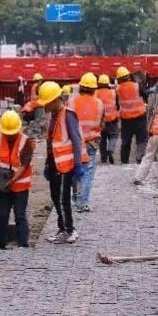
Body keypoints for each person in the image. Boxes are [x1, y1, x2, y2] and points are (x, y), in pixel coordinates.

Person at [39, 81, 82, 244]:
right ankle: (62, 228)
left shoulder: (68, 114)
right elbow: (52, 143)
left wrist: (77, 164)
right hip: (54, 165)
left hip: (64, 166)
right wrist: (47, 164)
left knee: (63, 199)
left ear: (55, 99)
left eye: (46, 102)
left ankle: (70, 230)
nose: (44, 106)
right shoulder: (54, 116)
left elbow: (76, 140)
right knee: (56, 197)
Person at [0, 110, 35, 249]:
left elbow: (24, 165)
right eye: (6, 133)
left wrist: (11, 181)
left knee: (20, 215)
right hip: (2, 185)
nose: (8, 136)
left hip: (20, 186)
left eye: (11, 133)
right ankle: (0, 244)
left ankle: (23, 245)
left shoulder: (26, 141)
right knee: (2, 214)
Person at [70, 73, 103, 212]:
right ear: (94, 88)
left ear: (81, 86)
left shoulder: (72, 102)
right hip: (91, 142)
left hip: (75, 142)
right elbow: (102, 123)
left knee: (74, 169)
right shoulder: (99, 103)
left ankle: (75, 196)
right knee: (87, 173)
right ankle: (82, 204)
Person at [116, 66, 149, 164]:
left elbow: (117, 104)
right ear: (129, 76)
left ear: (119, 79)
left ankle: (124, 161)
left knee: (125, 142)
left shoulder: (117, 89)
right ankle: (140, 158)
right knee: (141, 140)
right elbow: (145, 96)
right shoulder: (136, 86)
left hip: (126, 120)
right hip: (140, 118)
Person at [96, 74, 120, 164]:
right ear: (108, 83)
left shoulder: (95, 93)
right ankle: (110, 150)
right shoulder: (113, 93)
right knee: (113, 136)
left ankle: (103, 159)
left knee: (102, 141)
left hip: (100, 121)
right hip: (112, 119)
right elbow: (117, 105)